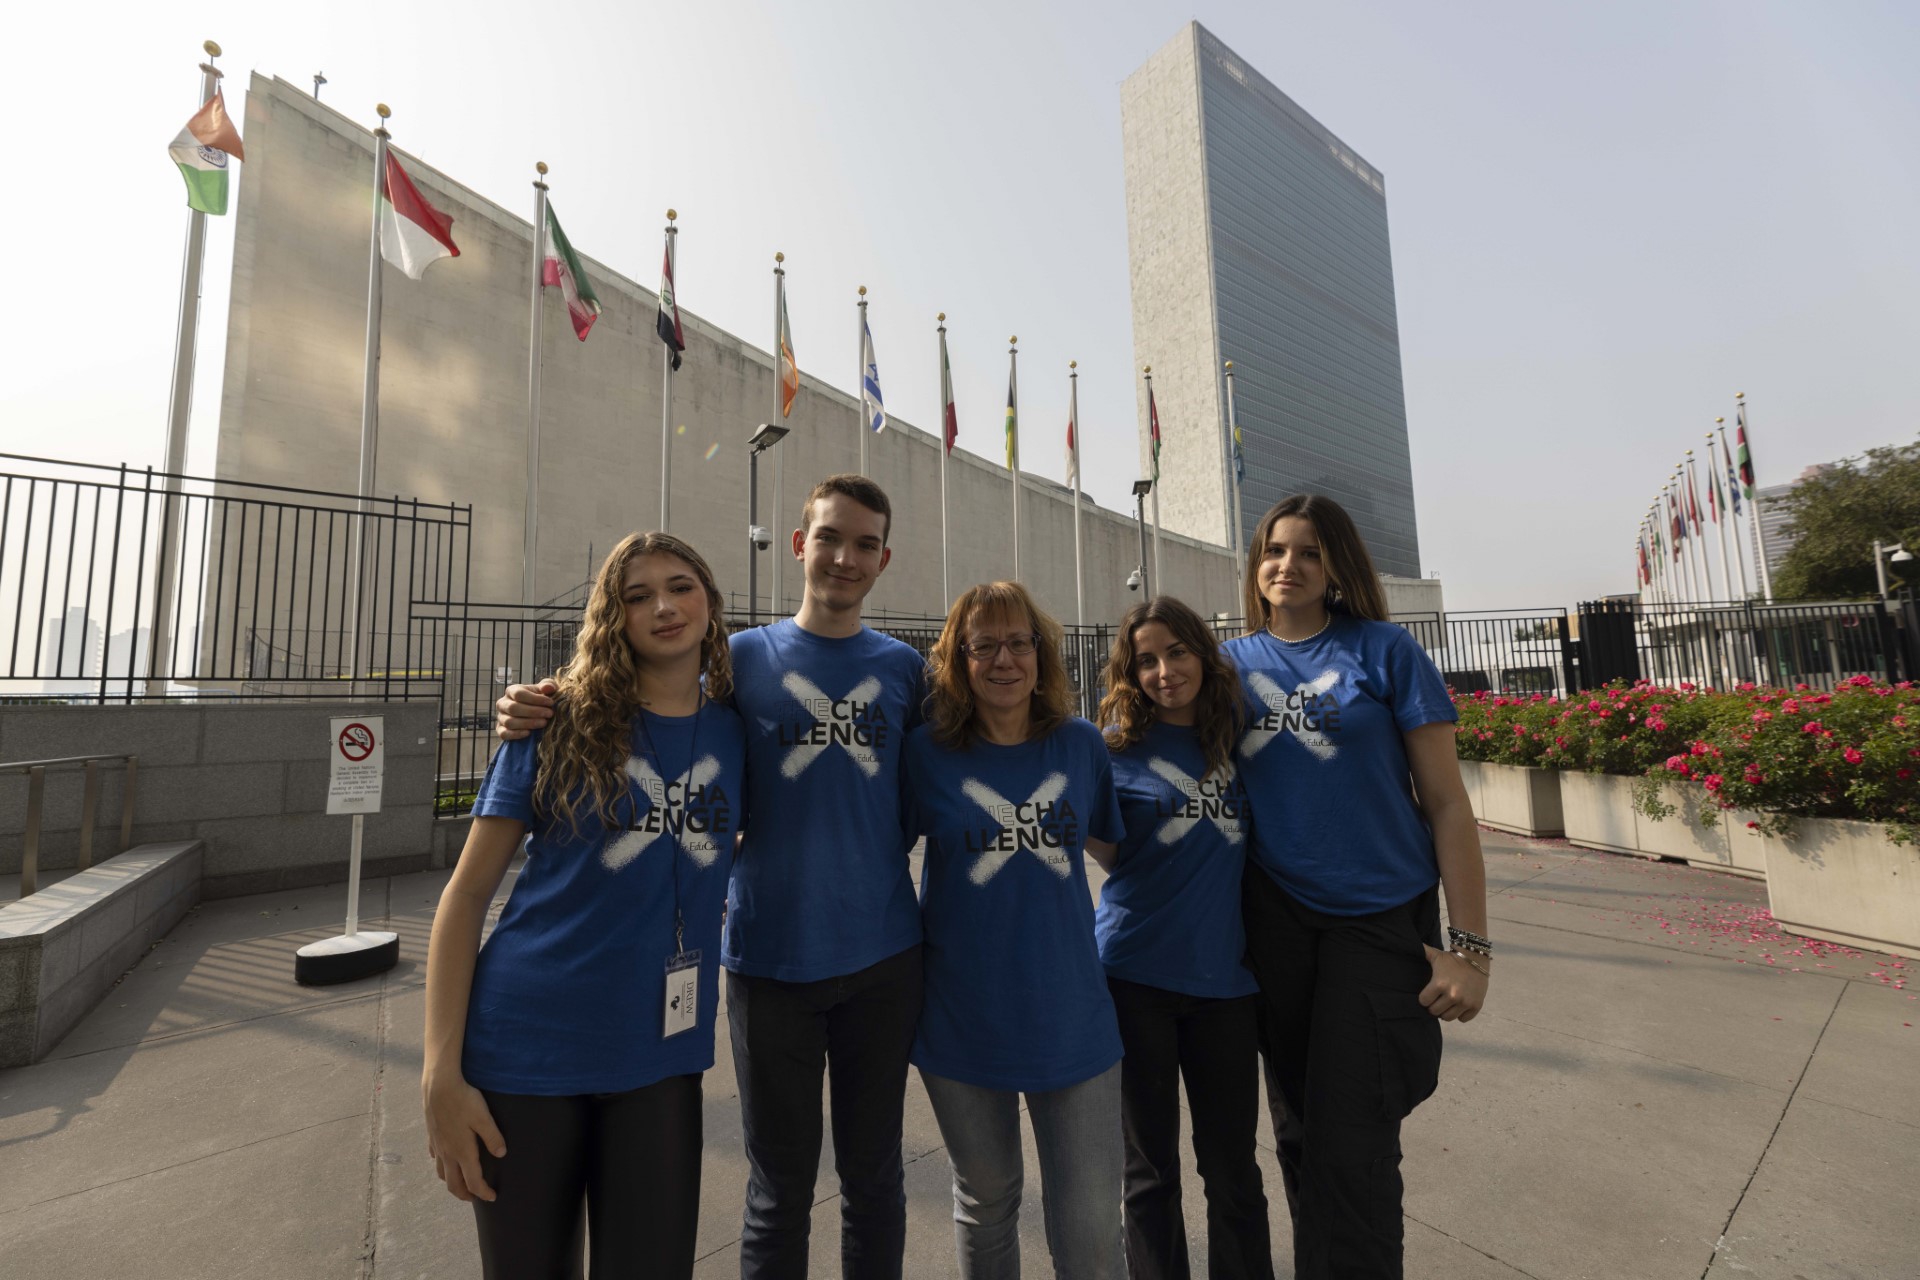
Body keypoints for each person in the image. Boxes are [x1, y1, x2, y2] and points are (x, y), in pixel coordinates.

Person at [495, 475, 927, 1280]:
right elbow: (654, 704)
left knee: (873, 1179)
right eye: (830, 537)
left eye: (865, 543)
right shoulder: (743, 660)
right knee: (778, 1191)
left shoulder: (905, 669)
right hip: (768, 962)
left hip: (884, 961)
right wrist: (540, 699)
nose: (845, 557)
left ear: (884, 558)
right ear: (799, 545)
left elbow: (928, 787)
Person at [422, 531, 748, 1278]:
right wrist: (440, 1074)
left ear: (709, 600)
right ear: (614, 617)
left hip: (661, 1055)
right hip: (525, 1050)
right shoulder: (553, 720)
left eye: (681, 586)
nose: (664, 606)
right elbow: (465, 895)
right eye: (638, 596)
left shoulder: (737, 732)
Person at [1224, 494, 1489, 1280]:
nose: (1288, 565)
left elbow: (1447, 802)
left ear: (1337, 565)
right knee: (1301, 1132)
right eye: (1275, 550)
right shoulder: (1228, 667)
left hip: (1378, 918)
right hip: (1274, 917)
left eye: (1309, 551)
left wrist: (1470, 950)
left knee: (1355, 1139)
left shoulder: (1385, 650)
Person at [904, 580, 1126, 1279]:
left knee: (1092, 1233)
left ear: (1041, 654)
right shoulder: (925, 754)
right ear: (959, 661)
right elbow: (871, 853)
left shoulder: (1080, 745)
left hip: (1073, 1017)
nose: (1004, 659)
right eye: (984, 646)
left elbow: (1117, 852)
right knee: (986, 1203)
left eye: (1019, 643)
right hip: (961, 1019)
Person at [1085, 597, 1273, 1280]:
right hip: (1134, 977)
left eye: (1177, 652)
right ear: (1130, 672)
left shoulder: (1239, 737)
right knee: (1149, 1170)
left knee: (1232, 1169)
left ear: (1202, 653)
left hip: (1226, 985)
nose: (1164, 671)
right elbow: (1110, 854)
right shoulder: (1110, 749)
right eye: (1147, 660)